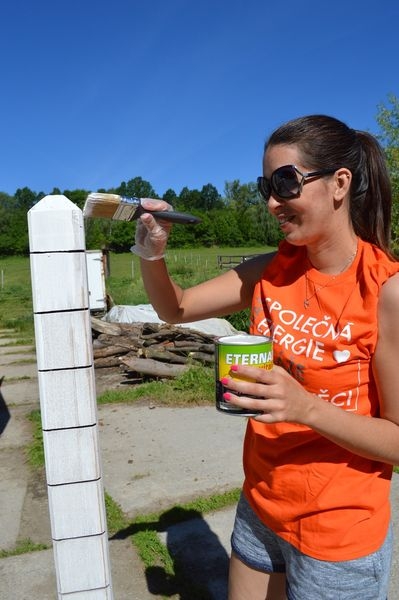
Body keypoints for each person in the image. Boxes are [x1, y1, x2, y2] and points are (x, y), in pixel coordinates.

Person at [131, 114, 399, 600]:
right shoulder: (270, 271)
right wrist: (153, 255)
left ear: (340, 184)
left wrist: (306, 408)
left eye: (286, 182)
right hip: (261, 504)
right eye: (266, 186)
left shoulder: (385, 292)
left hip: (337, 530)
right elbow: (178, 307)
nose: (274, 202)